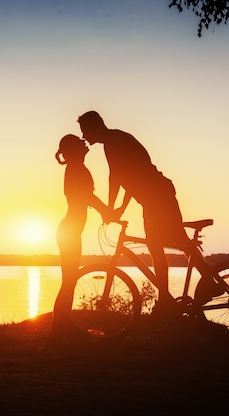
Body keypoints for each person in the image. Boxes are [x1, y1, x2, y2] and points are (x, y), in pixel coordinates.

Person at [77, 111, 193, 314]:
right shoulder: (115, 140)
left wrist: (112, 209)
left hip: (157, 197)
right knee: (165, 245)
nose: (84, 137)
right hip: (155, 197)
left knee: (163, 245)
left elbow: (117, 177)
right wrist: (119, 208)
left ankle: (173, 297)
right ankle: (167, 298)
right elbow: (132, 176)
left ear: (94, 127)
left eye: (85, 131)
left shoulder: (113, 143)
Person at [52, 134, 109, 339]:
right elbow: (87, 197)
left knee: (69, 280)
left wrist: (106, 210)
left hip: (70, 230)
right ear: (75, 150)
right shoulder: (76, 169)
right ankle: (59, 329)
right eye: (80, 143)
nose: (85, 145)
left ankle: (62, 326)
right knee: (68, 280)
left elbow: (87, 198)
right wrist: (106, 211)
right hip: (69, 231)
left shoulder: (76, 168)